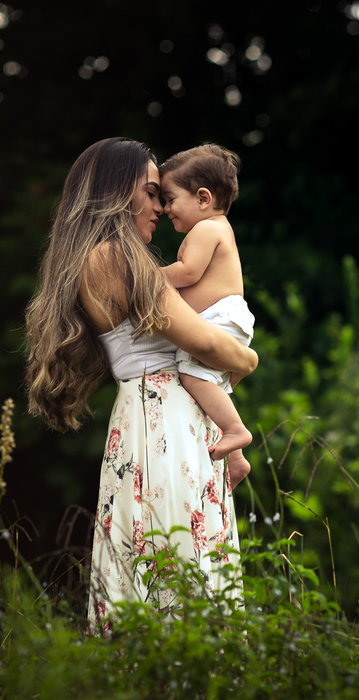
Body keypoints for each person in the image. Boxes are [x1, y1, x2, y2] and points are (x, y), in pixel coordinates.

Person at [24, 138, 258, 632]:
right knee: (174, 561)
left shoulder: (107, 258)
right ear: (117, 190)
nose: (159, 205)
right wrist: (248, 356)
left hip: (165, 416)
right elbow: (209, 345)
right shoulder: (115, 257)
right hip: (162, 420)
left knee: (166, 558)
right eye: (152, 192)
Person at [158, 144, 254, 487]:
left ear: (202, 198)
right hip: (225, 319)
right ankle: (237, 459)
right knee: (212, 386)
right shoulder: (216, 227)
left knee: (192, 377)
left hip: (220, 319)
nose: (165, 208)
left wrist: (148, 276)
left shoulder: (207, 229)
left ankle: (235, 431)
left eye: (170, 199)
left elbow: (187, 273)